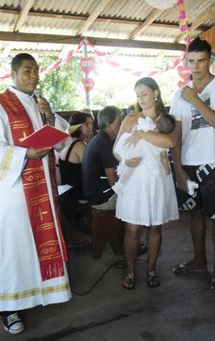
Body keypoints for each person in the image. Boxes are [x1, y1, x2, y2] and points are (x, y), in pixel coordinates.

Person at [0, 53, 71, 334]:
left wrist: (51, 115)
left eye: (36, 71)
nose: (34, 76)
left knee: (37, 244)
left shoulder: (40, 104)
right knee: (13, 248)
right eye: (27, 71)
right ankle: (9, 307)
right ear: (14, 73)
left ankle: (45, 291)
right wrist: (26, 152)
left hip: (42, 185)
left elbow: (61, 141)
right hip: (15, 191)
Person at [170, 38, 215, 291]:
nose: (195, 67)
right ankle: (199, 260)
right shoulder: (180, 94)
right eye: (191, 61)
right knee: (194, 214)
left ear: (210, 61)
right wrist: (178, 167)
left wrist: (195, 100)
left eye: (201, 61)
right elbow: (176, 133)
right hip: (188, 162)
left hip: (214, 162)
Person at [114, 77, 179, 289]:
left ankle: (151, 269)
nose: (141, 99)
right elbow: (116, 149)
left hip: (157, 177)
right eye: (138, 95)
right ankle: (131, 271)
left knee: (154, 228)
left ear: (156, 93)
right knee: (132, 228)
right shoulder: (131, 118)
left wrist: (143, 134)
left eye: (144, 94)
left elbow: (170, 142)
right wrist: (125, 159)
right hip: (136, 178)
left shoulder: (166, 120)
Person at [112, 112, 176, 195]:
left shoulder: (146, 123)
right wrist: (167, 169)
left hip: (128, 144)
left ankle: (120, 183)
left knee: (130, 166)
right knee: (132, 166)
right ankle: (120, 184)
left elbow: (135, 127)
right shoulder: (160, 140)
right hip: (137, 150)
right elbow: (163, 156)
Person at [58, 111, 94, 247]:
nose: (91, 126)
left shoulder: (70, 144)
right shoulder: (79, 146)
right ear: (78, 127)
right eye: (87, 124)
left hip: (69, 192)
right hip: (78, 193)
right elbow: (93, 172)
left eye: (91, 123)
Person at [82, 106, 122, 211]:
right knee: (135, 198)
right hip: (103, 199)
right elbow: (112, 180)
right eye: (119, 121)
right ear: (108, 123)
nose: (122, 124)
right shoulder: (105, 144)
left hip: (93, 195)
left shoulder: (99, 138)